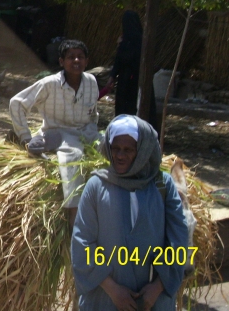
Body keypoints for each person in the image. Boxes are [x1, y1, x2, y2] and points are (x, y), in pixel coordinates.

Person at [71, 115, 188, 310]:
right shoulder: (97, 186)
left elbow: (179, 239)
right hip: (104, 299)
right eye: (115, 148)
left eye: (128, 150)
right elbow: (82, 242)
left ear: (142, 151)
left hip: (152, 301)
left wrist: (157, 287)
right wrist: (113, 290)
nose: (119, 155)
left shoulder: (162, 185)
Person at [9, 39, 99, 227]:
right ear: (61, 62)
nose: (76, 60)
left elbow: (93, 113)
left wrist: (93, 131)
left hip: (86, 132)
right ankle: (74, 215)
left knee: (109, 148)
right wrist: (26, 138)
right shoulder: (50, 84)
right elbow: (17, 103)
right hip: (58, 134)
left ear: (87, 61)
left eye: (80, 57)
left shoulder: (91, 81)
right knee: (73, 158)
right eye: (71, 57)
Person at [105, 10, 158, 131]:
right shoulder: (133, 40)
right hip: (131, 81)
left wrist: (121, 47)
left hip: (133, 81)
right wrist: (112, 77)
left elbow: (123, 59)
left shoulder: (139, 41)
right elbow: (118, 61)